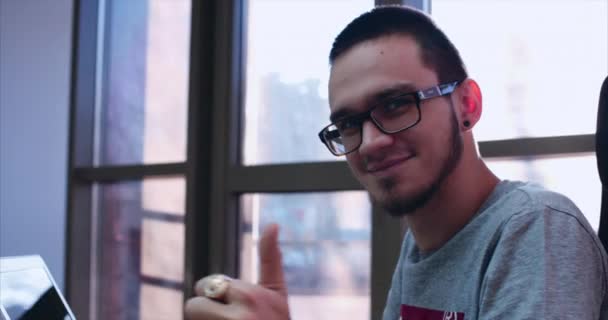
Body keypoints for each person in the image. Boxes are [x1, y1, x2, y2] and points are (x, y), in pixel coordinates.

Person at [185, 5, 608, 320]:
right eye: (349, 123)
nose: (370, 142)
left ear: (467, 104)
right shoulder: (422, 242)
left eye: (395, 104)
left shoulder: (535, 227)